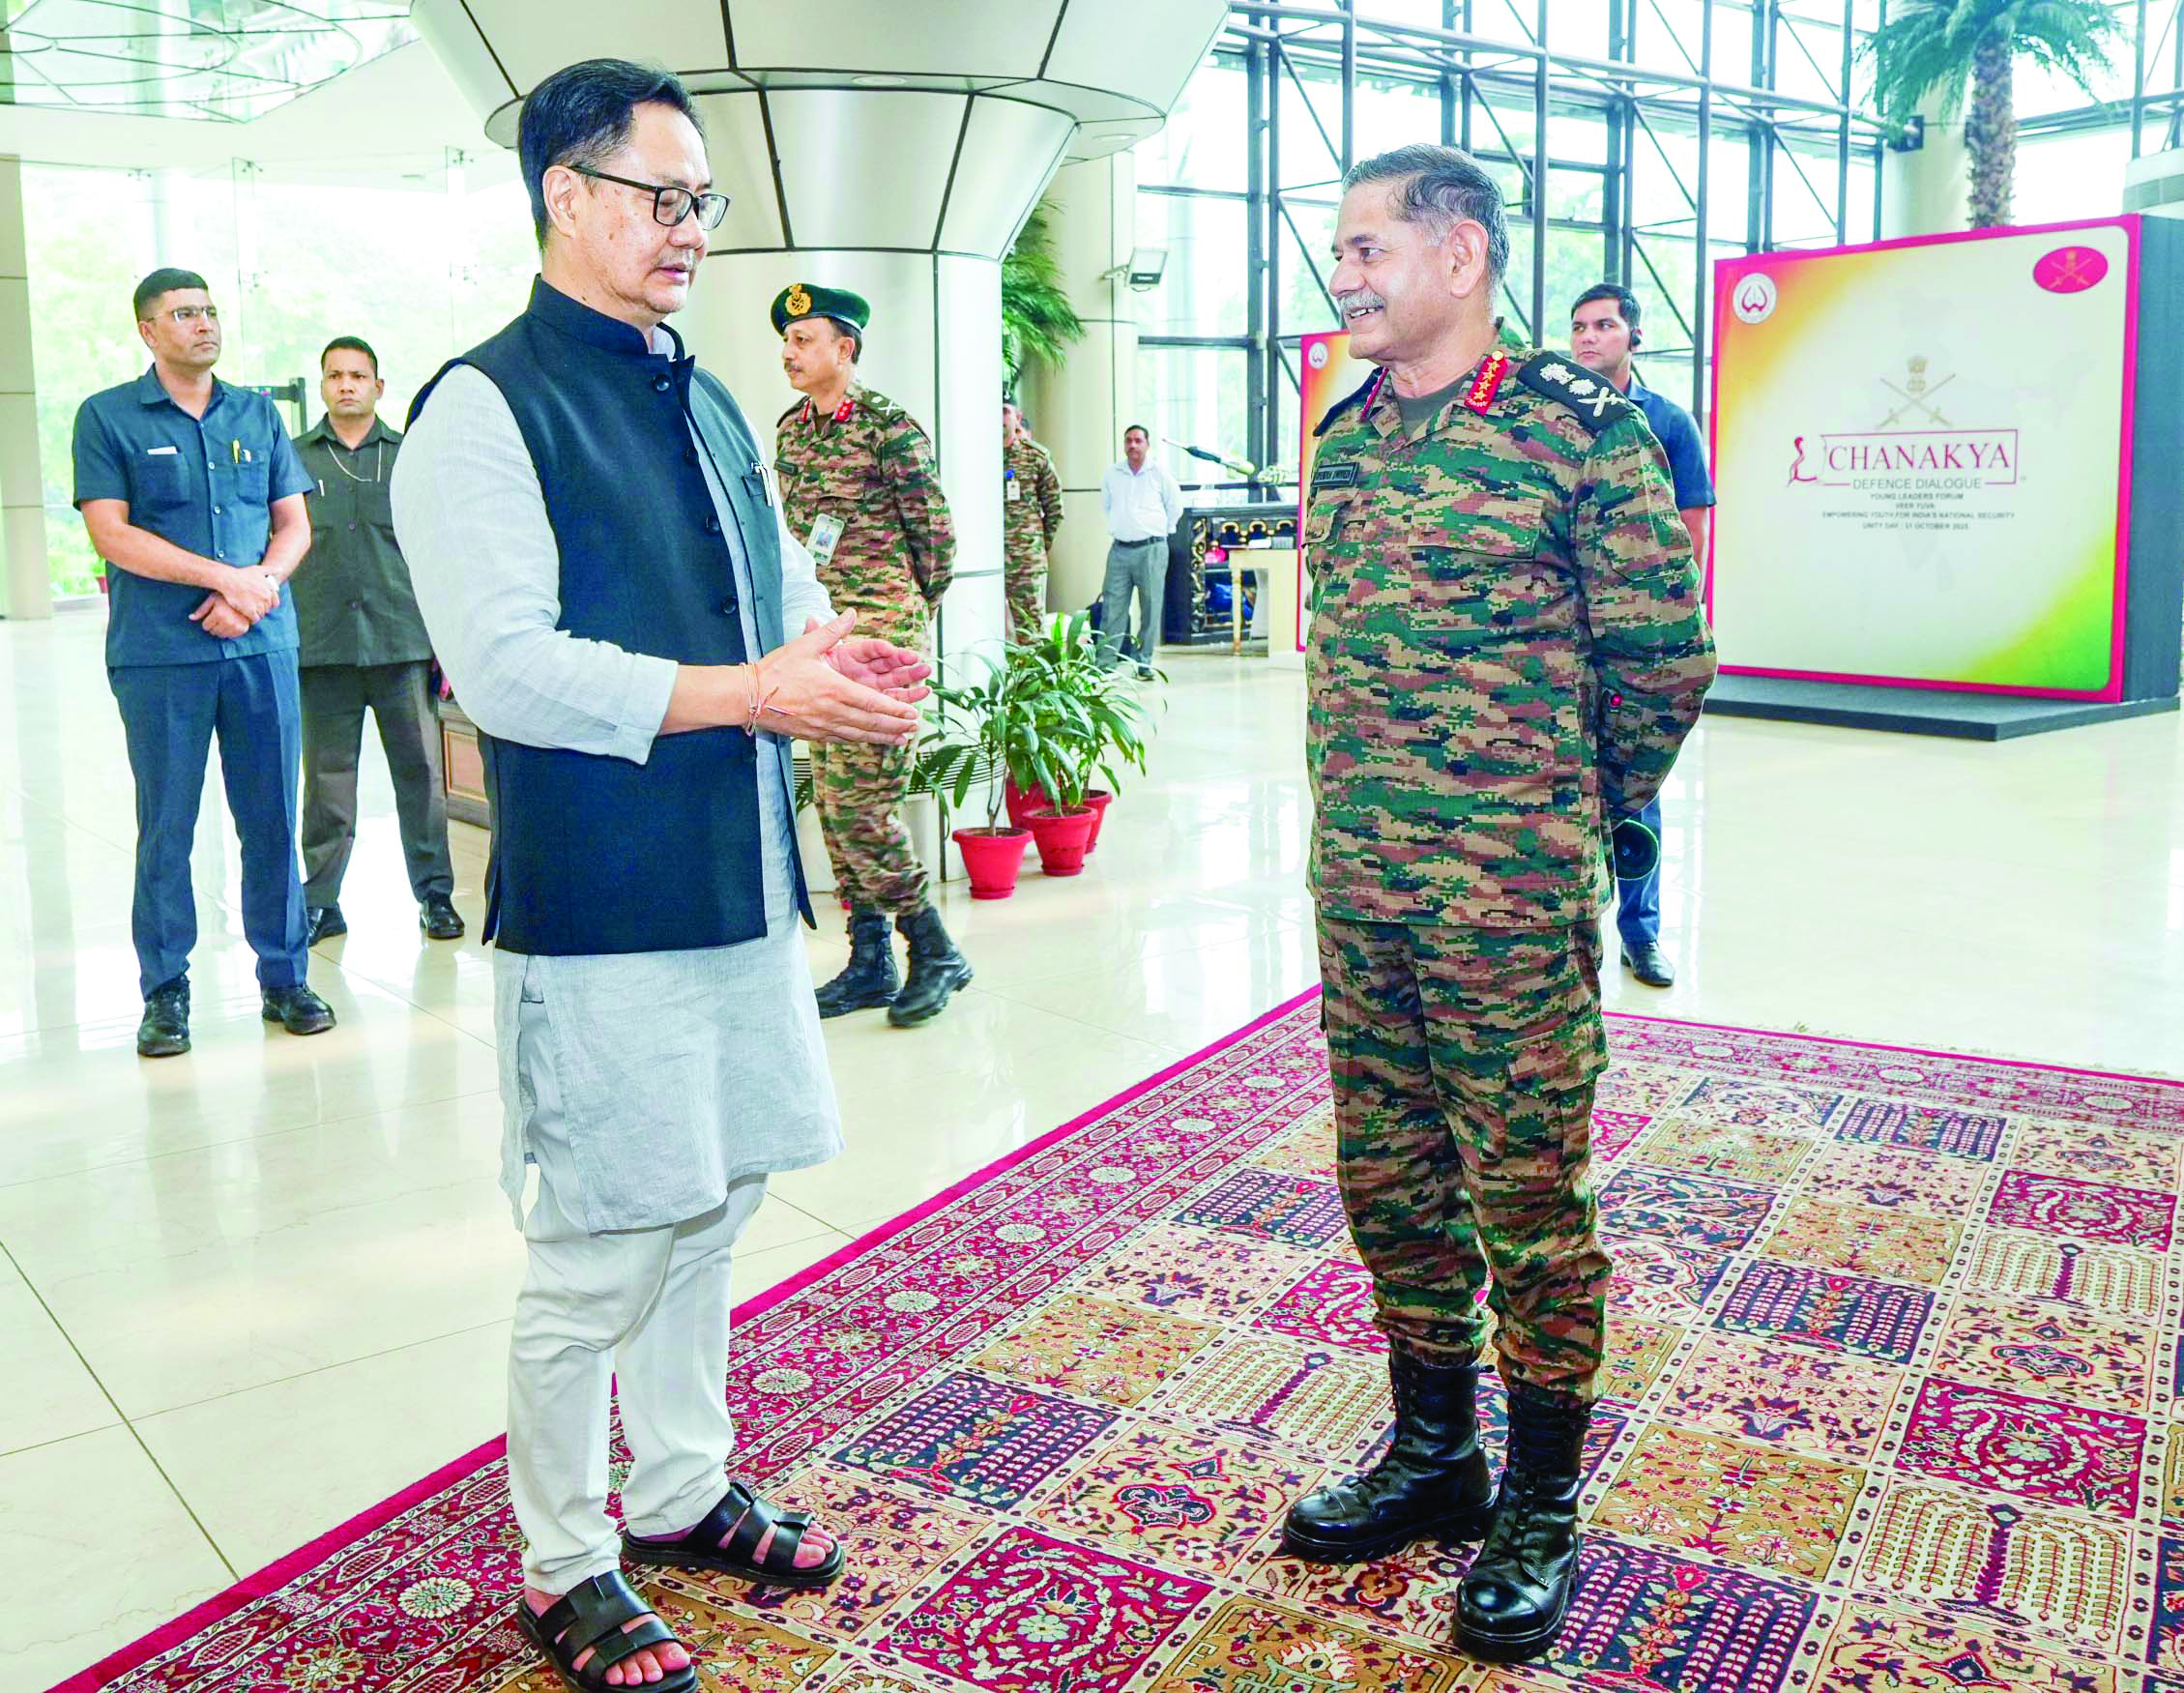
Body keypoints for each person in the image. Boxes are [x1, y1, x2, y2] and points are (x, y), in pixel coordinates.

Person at [391, 59, 935, 1692]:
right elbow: (505, 669)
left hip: (736, 874)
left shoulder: (699, 390)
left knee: (716, 1200)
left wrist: (819, 645)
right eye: (662, 197)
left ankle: (683, 1486)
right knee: (600, 1248)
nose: (691, 228)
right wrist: (755, 692)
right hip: (603, 898)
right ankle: (564, 1559)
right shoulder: (483, 408)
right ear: (564, 194)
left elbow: (770, 580)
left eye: (703, 201)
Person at [1283, 144, 1715, 1662]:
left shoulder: (1574, 431)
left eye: (1365, 247)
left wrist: (1558, 816)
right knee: (1389, 1179)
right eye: (1341, 248)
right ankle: (1433, 1452)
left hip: (1504, 900)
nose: (1342, 272)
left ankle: (1537, 1495)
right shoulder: (1344, 441)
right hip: (1361, 890)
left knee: (1525, 1196)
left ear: (1456, 256)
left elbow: (1660, 658)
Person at [73, 268, 336, 1058]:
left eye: (210, 311)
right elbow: (111, 533)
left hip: (260, 646)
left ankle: (285, 976)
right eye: (184, 313)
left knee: (271, 818)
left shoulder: (257, 413)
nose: (204, 324)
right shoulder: (108, 417)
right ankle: (166, 991)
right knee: (168, 825)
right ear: (148, 331)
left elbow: (293, 525)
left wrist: (257, 588)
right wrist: (226, 578)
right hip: (162, 656)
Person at [772, 280, 972, 1028]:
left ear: (844, 349)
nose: (789, 352)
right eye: (786, 341)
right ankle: (869, 960)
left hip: (883, 634)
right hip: (823, 634)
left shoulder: (889, 428)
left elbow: (936, 538)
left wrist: (907, 612)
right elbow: (793, 539)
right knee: (832, 800)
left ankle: (933, 945)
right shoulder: (792, 432)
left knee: (862, 803)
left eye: (803, 340)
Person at [290, 336, 463, 947]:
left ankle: (435, 896)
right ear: (322, 386)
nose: (346, 385)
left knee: (421, 776)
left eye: (357, 376)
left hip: (402, 643)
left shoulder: (410, 456)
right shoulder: (294, 460)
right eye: (335, 375)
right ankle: (320, 901)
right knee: (327, 784)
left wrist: (448, 638)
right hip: (323, 648)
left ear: (378, 387)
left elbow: (441, 548)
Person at [1569, 282, 1717, 989]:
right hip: (1566, 642)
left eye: (1603, 325)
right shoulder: (1554, 420)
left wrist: (1670, 630)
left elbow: (1692, 530)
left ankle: (1641, 933)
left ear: (1634, 336)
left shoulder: (1666, 423)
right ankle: (1571, 936)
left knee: (1635, 791)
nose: (1588, 337)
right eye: (1578, 327)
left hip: (1634, 645)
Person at [1097, 423, 1182, 677]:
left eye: (1138, 440)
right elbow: (1107, 506)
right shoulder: (1112, 473)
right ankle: (1105, 664)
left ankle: (1143, 662)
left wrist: (1162, 531)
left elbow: (1175, 506)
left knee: (1151, 607)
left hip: (1152, 549)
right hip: (1120, 551)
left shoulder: (1160, 473)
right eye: (1128, 441)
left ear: (1147, 444)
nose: (1132, 445)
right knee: (1112, 608)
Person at [1001, 397, 1063, 643]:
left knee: (1030, 630)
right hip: (985, 561)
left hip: (1025, 560)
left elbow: (1054, 509)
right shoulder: (979, 457)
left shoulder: (1035, 456)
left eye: (1004, 411)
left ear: (1017, 417)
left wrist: (1037, 546)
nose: (999, 418)